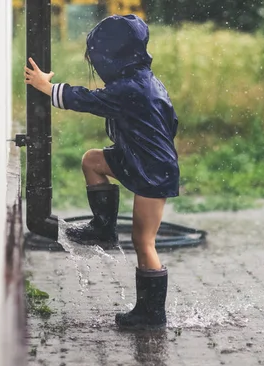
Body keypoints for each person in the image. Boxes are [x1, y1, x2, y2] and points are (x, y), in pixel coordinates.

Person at [24, 14, 179, 330]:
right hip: (136, 158)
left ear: (113, 56)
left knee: (143, 240)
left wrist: (46, 87)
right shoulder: (145, 81)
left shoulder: (130, 88)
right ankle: (103, 226)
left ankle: (151, 315)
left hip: (153, 171)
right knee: (93, 160)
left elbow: (88, 99)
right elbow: (170, 122)